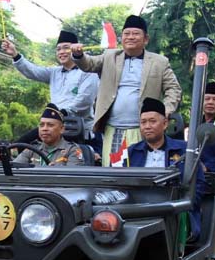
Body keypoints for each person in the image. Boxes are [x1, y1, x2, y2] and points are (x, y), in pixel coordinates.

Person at [70, 15, 183, 166]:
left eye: (135, 34)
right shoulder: (110, 56)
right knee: (113, 171)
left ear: (146, 39)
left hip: (142, 128)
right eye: (126, 33)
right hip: (112, 128)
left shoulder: (159, 62)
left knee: (138, 170)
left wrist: (164, 112)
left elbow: (174, 89)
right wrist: (78, 55)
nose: (130, 37)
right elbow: (88, 64)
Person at [1, 30, 99, 147]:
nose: (61, 52)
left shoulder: (88, 71)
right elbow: (33, 71)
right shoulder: (54, 72)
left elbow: (84, 101)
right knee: (22, 144)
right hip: (54, 125)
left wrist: (60, 114)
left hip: (78, 131)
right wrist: (15, 54)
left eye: (66, 48)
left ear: (75, 49)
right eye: (58, 49)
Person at [127, 98, 206, 239]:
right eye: (143, 122)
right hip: (136, 214)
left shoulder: (185, 150)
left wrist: (181, 206)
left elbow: (198, 187)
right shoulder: (130, 152)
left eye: (152, 121)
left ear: (165, 124)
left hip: (175, 212)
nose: (147, 126)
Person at [12, 104, 84, 166]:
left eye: (50, 125)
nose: (44, 129)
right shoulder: (32, 149)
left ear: (62, 129)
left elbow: (72, 179)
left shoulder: (72, 151)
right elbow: (14, 169)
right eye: (41, 125)